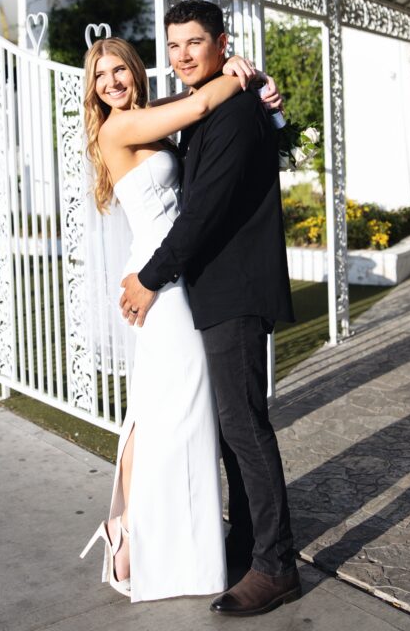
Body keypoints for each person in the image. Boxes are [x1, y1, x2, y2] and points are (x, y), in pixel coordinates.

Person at [80, 34, 281, 603]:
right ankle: (136, 535)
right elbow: (198, 104)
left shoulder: (151, 116)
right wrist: (240, 74)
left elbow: (197, 121)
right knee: (170, 411)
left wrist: (250, 78)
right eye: (101, 77)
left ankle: (148, 534)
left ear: (135, 72)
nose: (113, 82)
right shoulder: (116, 129)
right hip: (159, 284)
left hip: (179, 277)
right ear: (93, 92)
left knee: (178, 412)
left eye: (119, 70)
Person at [120, 0, 301, 617]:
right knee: (231, 429)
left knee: (245, 428)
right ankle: (248, 543)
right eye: (173, 46)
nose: (182, 55)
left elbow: (202, 215)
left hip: (236, 289)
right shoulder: (214, 108)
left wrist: (148, 278)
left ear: (223, 43)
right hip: (211, 291)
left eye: (194, 43)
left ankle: (276, 568)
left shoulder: (230, 111)